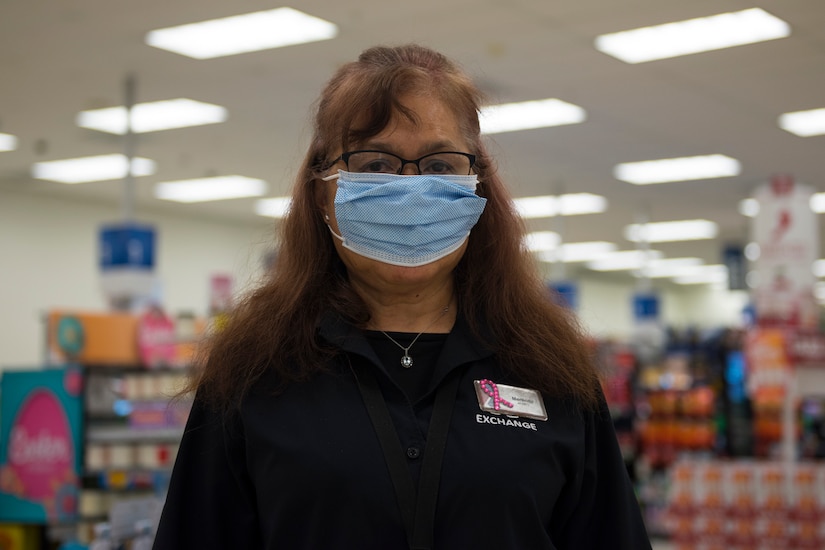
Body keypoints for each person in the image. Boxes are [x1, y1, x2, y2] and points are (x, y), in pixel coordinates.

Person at [153, 44, 651, 550]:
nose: (411, 191)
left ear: (476, 184)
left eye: (439, 164)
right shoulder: (253, 373)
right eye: (375, 163)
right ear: (321, 189)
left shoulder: (550, 369)